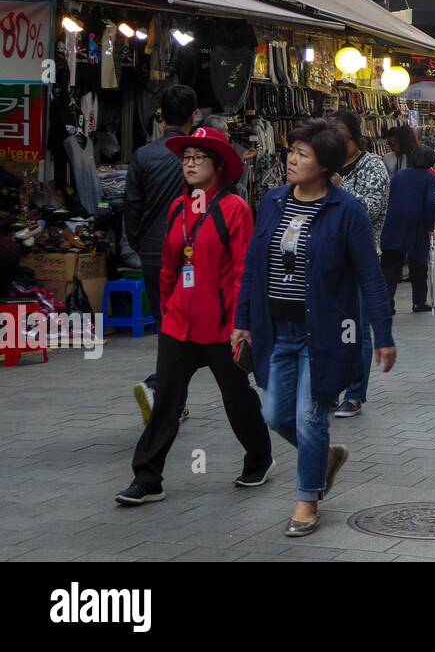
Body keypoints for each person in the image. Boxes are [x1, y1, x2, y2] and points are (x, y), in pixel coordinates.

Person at [231, 119, 396, 537]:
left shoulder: (347, 211)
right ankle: (323, 458)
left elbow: (369, 277)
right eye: (292, 151)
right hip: (276, 330)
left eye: (302, 154)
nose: (291, 159)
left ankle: (307, 500)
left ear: (324, 165)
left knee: (309, 416)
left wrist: (384, 335)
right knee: (274, 413)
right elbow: (254, 265)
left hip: (322, 334)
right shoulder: (272, 201)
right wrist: (243, 322)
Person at [116, 127, 272, 506]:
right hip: (179, 325)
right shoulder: (177, 209)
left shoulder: (234, 208)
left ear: (218, 165)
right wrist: (168, 308)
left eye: (198, 157)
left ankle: (259, 457)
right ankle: (148, 478)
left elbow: (243, 270)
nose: (189, 163)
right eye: (185, 157)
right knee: (167, 398)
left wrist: (242, 322)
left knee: (236, 396)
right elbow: (169, 267)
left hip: (221, 326)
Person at [126, 84, 198, 425]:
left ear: (161, 115)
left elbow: (132, 208)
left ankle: (170, 399)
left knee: (168, 326)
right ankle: (160, 390)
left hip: (154, 254)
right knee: (186, 331)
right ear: (194, 117)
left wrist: (139, 244)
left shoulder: (143, 156)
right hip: (190, 255)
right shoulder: (197, 158)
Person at [330, 109, 391, 419]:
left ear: (355, 137)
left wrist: (341, 185)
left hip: (360, 259)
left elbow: (370, 209)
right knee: (330, 330)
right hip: (327, 261)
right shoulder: (326, 164)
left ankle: (354, 395)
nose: (338, 142)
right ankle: (329, 390)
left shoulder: (373, 166)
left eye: (342, 135)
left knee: (357, 331)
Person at [379, 146, 435, 313]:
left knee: (390, 265)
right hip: (417, 223)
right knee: (418, 264)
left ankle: (386, 303)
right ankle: (419, 301)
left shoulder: (399, 176)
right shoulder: (430, 178)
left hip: (393, 221)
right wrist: (430, 227)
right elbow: (430, 203)